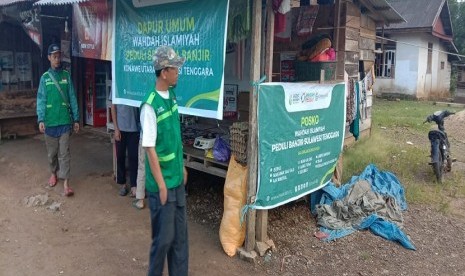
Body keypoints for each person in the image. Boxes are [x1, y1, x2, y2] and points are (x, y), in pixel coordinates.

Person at [141, 45, 188, 276]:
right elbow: (150, 148)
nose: (178, 71)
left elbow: (175, 138)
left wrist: (184, 166)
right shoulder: (150, 104)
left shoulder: (171, 95)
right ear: (163, 72)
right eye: (175, 68)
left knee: (180, 240)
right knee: (163, 240)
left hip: (176, 179)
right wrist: (160, 185)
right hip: (162, 185)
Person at [36, 43, 80, 197]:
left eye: (58, 56)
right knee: (52, 153)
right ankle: (53, 172)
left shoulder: (66, 76)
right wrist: (41, 119)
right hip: (50, 122)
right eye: (54, 56)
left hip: (64, 122)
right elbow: (41, 99)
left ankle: (66, 183)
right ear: (49, 58)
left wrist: (76, 119)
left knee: (65, 153)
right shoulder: (45, 78)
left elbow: (73, 98)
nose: (57, 59)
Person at [110, 99, 140, 197]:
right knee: (120, 156)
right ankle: (123, 184)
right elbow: (113, 107)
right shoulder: (117, 86)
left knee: (133, 157)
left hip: (134, 128)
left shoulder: (136, 85)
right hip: (120, 128)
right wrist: (116, 128)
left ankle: (134, 185)